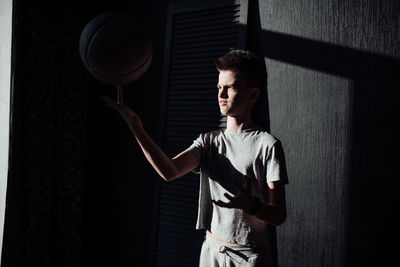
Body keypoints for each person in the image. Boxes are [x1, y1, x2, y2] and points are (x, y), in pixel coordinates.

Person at [102, 50, 288, 267]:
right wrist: (136, 127)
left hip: (249, 257)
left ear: (253, 94)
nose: (222, 94)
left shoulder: (267, 145)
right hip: (211, 250)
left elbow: (279, 215)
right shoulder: (208, 141)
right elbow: (169, 171)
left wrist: (252, 206)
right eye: (219, 87)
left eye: (230, 87)